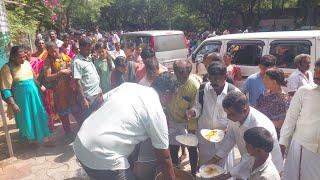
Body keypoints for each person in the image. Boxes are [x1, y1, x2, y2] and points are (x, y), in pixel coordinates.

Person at [73, 72, 177, 180]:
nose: (173, 99)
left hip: (80, 141)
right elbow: (165, 158)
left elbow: (99, 101)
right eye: (174, 95)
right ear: (166, 93)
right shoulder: (156, 112)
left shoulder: (128, 86)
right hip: (101, 156)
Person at [205, 91, 283, 179]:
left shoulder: (258, 126)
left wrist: (228, 175)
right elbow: (231, 137)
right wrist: (216, 158)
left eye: (230, 114)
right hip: (251, 163)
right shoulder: (235, 116)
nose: (228, 117)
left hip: (265, 168)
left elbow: (250, 157)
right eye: (227, 114)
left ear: (244, 110)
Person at [186, 61, 238, 167]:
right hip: (205, 141)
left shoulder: (234, 93)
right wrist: (192, 112)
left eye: (218, 79)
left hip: (224, 142)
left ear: (225, 76)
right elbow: (198, 107)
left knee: (223, 171)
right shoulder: (202, 89)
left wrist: (227, 130)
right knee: (205, 169)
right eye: (212, 79)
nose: (214, 83)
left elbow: (238, 119)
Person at [0, 46, 53, 146]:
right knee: (26, 118)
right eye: (21, 57)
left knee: (40, 114)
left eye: (24, 56)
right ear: (12, 57)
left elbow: (33, 78)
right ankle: (31, 140)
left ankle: (46, 139)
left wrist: (41, 87)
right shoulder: (7, 68)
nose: (24, 59)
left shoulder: (26, 63)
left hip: (35, 95)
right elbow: (6, 88)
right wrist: (13, 104)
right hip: (21, 99)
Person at [279, 59, 320, 180]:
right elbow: (290, 119)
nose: (317, 76)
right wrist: (282, 143)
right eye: (316, 71)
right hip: (303, 148)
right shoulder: (304, 91)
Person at [166, 60, 200, 176]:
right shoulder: (171, 81)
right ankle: (176, 170)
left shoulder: (194, 86)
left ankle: (194, 173)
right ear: (174, 72)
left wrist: (192, 113)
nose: (181, 78)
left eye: (183, 75)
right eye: (178, 74)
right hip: (172, 118)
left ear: (189, 72)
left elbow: (197, 106)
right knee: (173, 146)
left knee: (191, 147)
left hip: (188, 122)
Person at [44, 42, 75, 134]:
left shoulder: (65, 57)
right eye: (51, 52)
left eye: (55, 51)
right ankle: (68, 132)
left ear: (58, 48)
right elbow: (47, 77)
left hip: (70, 88)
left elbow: (72, 68)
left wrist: (70, 70)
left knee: (75, 108)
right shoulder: (48, 61)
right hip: (58, 90)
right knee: (63, 112)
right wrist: (60, 72)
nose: (54, 54)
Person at [72, 37, 103, 124]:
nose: (89, 51)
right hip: (88, 98)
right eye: (87, 49)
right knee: (88, 122)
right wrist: (83, 100)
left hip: (97, 94)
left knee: (98, 119)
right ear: (81, 48)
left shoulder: (88, 57)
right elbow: (77, 82)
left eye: (90, 49)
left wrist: (99, 90)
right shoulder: (77, 62)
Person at [256, 68, 291, 138]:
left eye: (266, 79)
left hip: (272, 136)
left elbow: (282, 123)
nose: (263, 81)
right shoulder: (265, 93)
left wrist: (263, 122)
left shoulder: (283, 100)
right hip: (260, 132)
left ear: (274, 82)